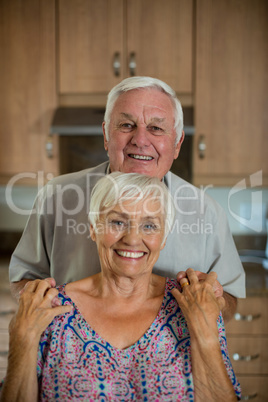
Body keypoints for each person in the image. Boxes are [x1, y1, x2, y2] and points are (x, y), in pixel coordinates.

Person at [8, 76, 245, 322]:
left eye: (155, 128)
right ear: (106, 135)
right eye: (126, 125)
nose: (140, 140)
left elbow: (229, 298)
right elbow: (23, 277)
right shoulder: (55, 197)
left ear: (177, 143)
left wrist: (215, 300)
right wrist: (34, 297)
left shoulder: (207, 212)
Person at [1, 173, 241, 401]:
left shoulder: (192, 306)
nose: (133, 239)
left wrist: (207, 335)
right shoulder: (51, 311)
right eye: (117, 222)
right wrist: (22, 337)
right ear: (94, 228)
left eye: (149, 226)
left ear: (164, 237)